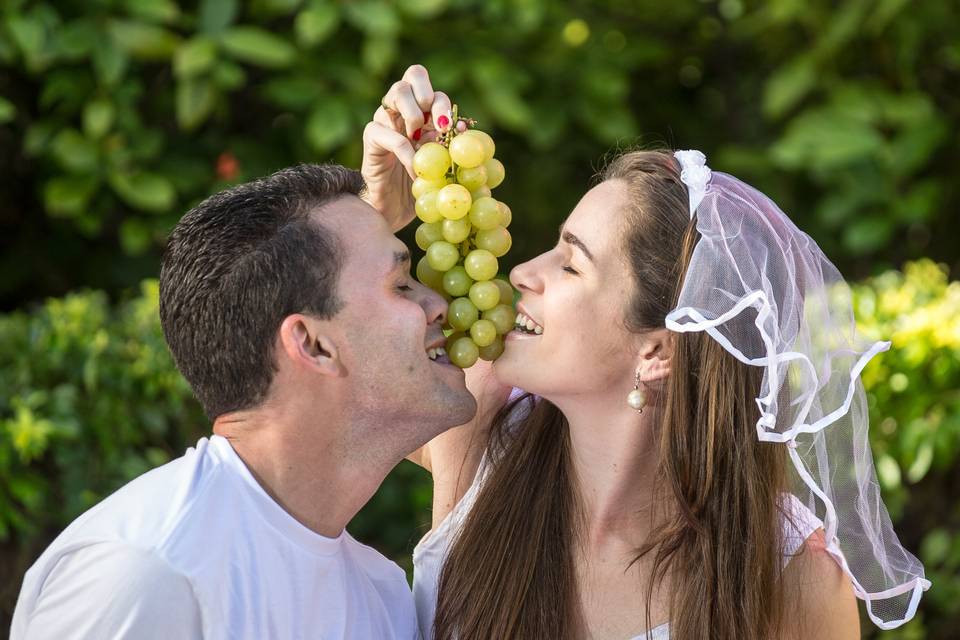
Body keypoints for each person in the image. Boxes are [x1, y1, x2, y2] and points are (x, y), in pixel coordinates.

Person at [364, 66, 930, 639]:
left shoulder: (789, 578)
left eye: (570, 263)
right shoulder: (481, 424)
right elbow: (306, 386)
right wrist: (375, 222)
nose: (525, 274)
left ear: (657, 350)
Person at [10, 162, 477, 638]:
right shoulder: (149, 574)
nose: (439, 305)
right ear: (314, 345)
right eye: (401, 285)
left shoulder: (382, 595)